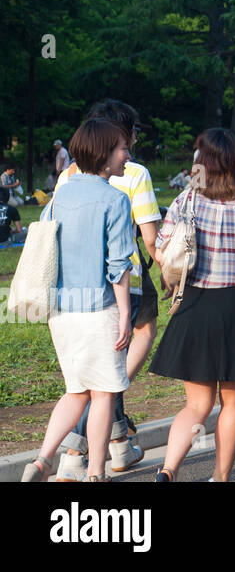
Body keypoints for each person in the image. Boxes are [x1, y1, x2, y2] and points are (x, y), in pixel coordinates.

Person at [149, 129, 235, 482]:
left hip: (195, 303)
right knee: (232, 403)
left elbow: (160, 250)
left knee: (197, 405)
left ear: (202, 164)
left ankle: (168, 469)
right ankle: (220, 477)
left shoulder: (187, 200)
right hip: (234, 306)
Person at [53, 99, 161, 480]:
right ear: (118, 139)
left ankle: (113, 441)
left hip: (71, 290)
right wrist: (165, 270)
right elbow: (148, 237)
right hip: (119, 282)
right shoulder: (134, 175)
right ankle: (81, 453)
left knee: (84, 380)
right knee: (121, 362)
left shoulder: (69, 175)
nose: (130, 148)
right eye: (129, 137)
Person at [21, 119, 133, 482]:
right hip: (99, 309)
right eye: (120, 148)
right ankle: (96, 473)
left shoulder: (61, 194)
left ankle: (41, 460)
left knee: (75, 391)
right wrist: (126, 315)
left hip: (60, 311)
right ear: (103, 154)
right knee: (102, 396)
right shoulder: (115, 199)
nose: (126, 155)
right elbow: (117, 266)